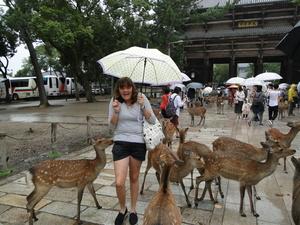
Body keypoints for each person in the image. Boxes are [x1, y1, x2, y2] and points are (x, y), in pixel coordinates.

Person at [108, 77, 156, 225]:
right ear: (119, 89)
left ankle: (133, 209)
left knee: (134, 178)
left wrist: (144, 107)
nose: (125, 90)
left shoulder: (142, 98)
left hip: (138, 143)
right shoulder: (114, 101)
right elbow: (111, 127)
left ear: (132, 88)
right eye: (122, 88)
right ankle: (123, 209)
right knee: (119, 182)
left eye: (128, 87)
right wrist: (116, 112)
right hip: (121, 142)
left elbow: (152, 120)